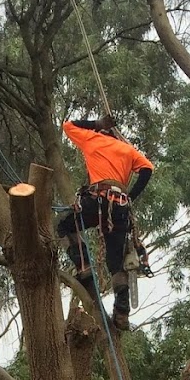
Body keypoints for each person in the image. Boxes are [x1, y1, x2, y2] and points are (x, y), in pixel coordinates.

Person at [58, 113, 154, 331]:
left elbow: (67, 125)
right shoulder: (128, 150)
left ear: (101, 132)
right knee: (115, 262)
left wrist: (96, 124)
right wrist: (130, 197)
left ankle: (83, 266)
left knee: (65, 226)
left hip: (97, 201)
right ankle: (122, 314)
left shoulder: (92, 138)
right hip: (119, 207)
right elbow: (147, 170)